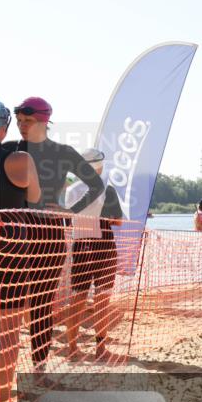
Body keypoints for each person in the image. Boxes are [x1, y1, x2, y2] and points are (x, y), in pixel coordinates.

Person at [10, 97, 104, 369]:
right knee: (9, 304)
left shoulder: (63, 153)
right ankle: (6, 371)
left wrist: (71, 211)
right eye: (18, 122)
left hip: (50, 234)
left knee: (41, 303)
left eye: (27, 121)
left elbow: (96, 186)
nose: (22, 126)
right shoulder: (11, 150)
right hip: (14, 234)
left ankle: (39, 367)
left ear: (43, 121)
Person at [0, 99, 40, 402]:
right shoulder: (18, 160)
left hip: (10, 253)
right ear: (4, 126)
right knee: (8, 329)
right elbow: (37, 195)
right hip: (9, 252)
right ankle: (0, 400)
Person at [64, 149, 125, 363]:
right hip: (103, 247)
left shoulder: (70, 190)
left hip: (80, 245)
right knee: (102, 300)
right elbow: (118, 221)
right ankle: (101, 349)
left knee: (77, 299)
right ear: (99, 166)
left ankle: (72, 348)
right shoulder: (106, 189)